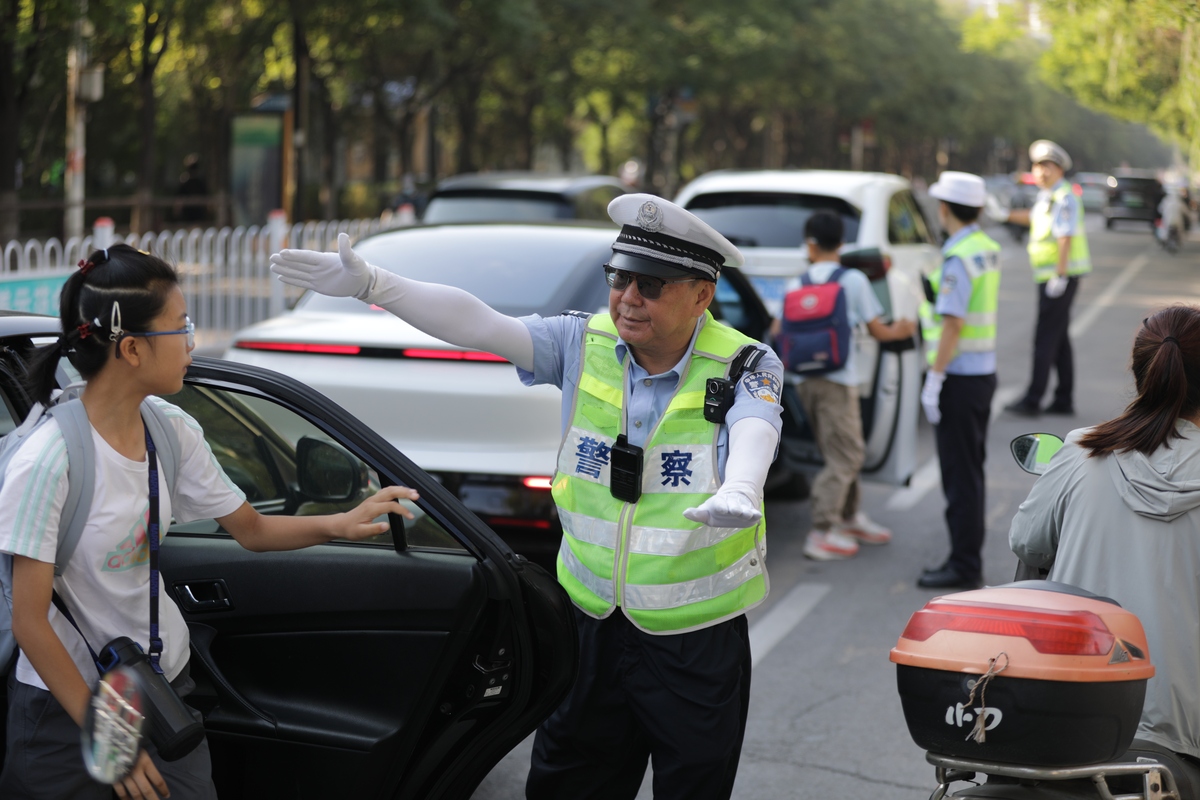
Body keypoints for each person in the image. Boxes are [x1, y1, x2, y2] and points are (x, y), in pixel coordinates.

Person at [269, 194, 784, 800]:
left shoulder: (746, 362)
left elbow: (758, 425)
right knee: (565, 782)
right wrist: (374, 284)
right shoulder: (581, 343)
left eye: (652, 284)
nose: (628, 298)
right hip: (588, 621)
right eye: (620, 278)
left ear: (701, 294)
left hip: (694, 637)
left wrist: (743, 485)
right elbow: (479, 323)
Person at [0, 245, 417, 800]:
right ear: (131, 349)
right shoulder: (50, 460)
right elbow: (31, 622)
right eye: (181, 326)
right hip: (66, 706)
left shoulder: (171, 431)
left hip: (161, 689)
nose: (192, 342)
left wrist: (341, 522)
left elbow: (251, 529)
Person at [1009, 306, 1200, 798]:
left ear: (1140, 373)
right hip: (1184, 739)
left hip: (1069, 712)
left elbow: (1027, 543)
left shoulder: (1082, 452)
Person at [769, 211, 915, 561]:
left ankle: (848, 517)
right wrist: (906, 329)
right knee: (848, 454)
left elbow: (776, 331)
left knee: (836, 451)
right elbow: (878, 330)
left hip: (804, 381)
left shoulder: (796, 284)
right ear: (842, 243)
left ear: (810, 244)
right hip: (838, 379)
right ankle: (821, 530)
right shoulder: (852, 280)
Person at [917, 171, 1001, 590]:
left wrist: (934, 379)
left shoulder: (958, 257)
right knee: (970, 471)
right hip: (981, 375)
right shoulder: (984, 247)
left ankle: (964, 564)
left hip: (959, 379)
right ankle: (966, 557)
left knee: (959, 475)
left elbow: (952, 324)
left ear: (944, 208)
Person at [987, 139, 1091, 417]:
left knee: (1044, 339)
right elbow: (1033, 217)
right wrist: (1004, 214)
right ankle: (1064, 399)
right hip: (1053, 277)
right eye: (1038, 166)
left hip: (1059, 278)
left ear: (1059, 170)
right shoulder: (1048, 195)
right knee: (1059, 339)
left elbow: (1065, 237)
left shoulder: (1063, 197)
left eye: (1047, 166)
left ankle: (1033, 400)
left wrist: (1059, 274)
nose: (1041, 171)